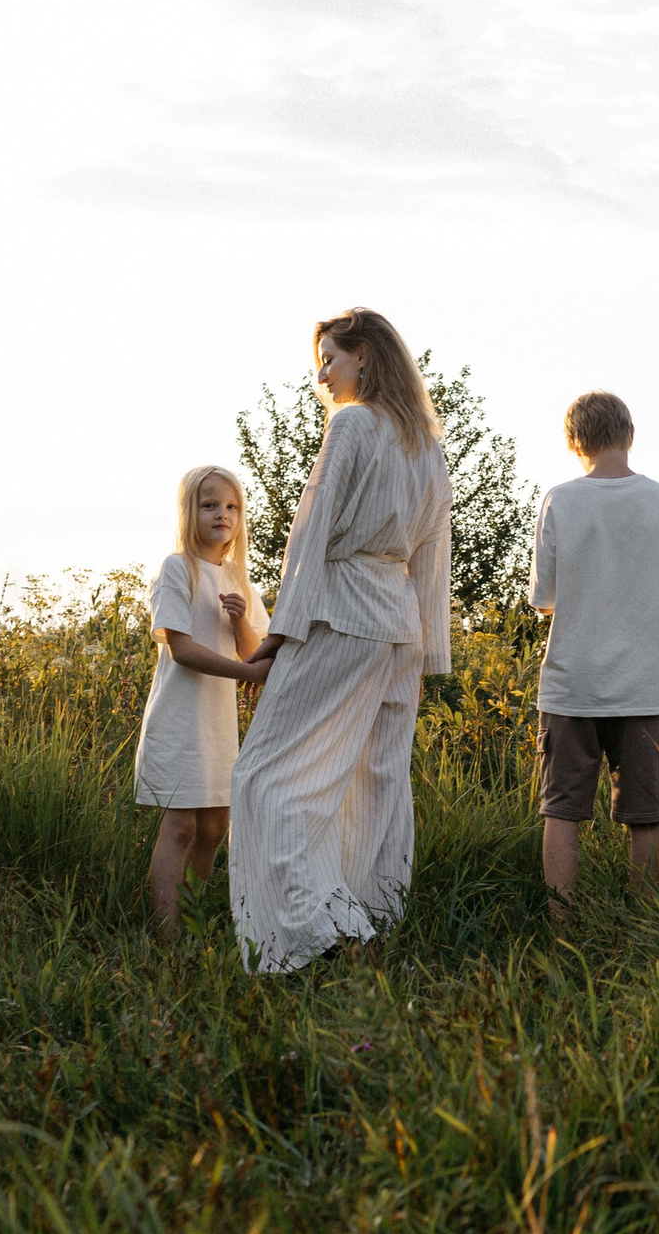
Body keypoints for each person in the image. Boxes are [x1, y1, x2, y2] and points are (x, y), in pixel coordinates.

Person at [230, 309, 453, 974]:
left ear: (366, 357)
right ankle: (364, 922)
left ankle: (304, 930)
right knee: (371, 783)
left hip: (344, 612)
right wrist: (426, 655)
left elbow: (312, 532)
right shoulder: (427, 446)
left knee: (266, 775)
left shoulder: (353, 423)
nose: (321, 373)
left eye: (330, 358)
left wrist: (278, 633)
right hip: (397, 627)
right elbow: (432, 562)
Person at [529, 391, 659, 918]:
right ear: (630, 434)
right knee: (646, 812)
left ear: (572, 442)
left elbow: (544, 602)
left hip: (572, 684)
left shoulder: (560, 499)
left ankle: (561, 925)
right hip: (644, 684)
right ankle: (645, 921)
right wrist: (645, 615)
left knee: (562, 809)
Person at [135, 465, 272, 940]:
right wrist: (248, 672)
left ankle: (190, 920)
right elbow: (182, 648)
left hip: (217, 726)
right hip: (180, 719)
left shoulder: (240, 582)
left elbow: (256, 653)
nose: (223, 514)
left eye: (232, 506)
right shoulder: (179, 569)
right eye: (210, 504)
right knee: (180, 828)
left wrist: (239, 624)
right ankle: (167, 935)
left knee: (215, 827)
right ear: (189, 511)